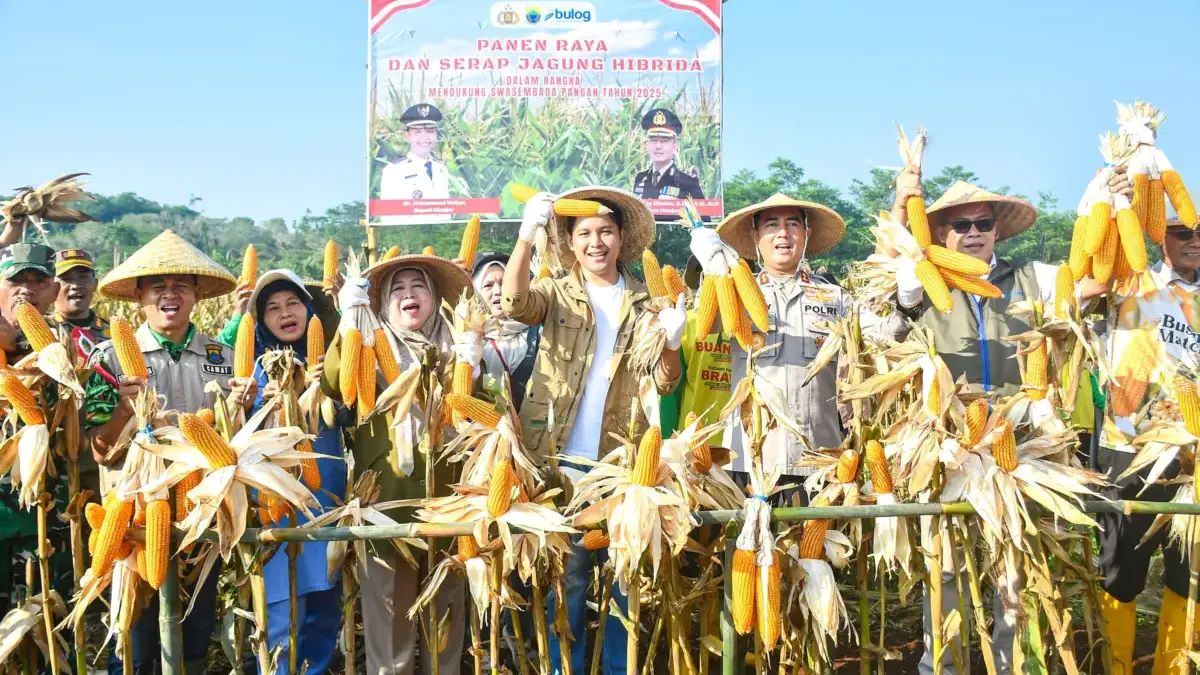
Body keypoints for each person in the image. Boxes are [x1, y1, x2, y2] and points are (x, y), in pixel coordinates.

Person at [502, 186, 684, 675]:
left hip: (622, 461)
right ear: (570, 241)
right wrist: (525, 237)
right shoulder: (556, 291)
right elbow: (515, 303)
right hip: (558, 457)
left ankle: (620, 668)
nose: (595, 242)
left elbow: (665, 381)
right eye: (584, 233)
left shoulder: (648, 302)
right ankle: (566, 667)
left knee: (625, 577)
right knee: (569, 578)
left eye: (605, 231)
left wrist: (672, 342)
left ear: (622, 238)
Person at [889, 175, 1054, 674]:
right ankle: (941, 667)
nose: (974, 233)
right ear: (941, 233)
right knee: (947, 570)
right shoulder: (921, 283)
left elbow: (1095, 284)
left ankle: (1011, 666)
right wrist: (900, 205)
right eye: (961, 225)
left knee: (1013, 572)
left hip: (1016, 444)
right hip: (945, 446)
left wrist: (1109, 200)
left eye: (983, 223)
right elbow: (891, 329)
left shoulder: (1029, 280)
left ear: (997, 231)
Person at [83, 229, 252, 675]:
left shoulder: (224, 357)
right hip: (136, 520)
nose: (169, 294)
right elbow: (99, 451)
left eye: (180, 285)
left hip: (201, 514)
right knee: (136, 637)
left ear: (197, 294)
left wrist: (245, 407)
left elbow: (236, 443)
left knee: (194, 629)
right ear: (139, 296)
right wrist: (123, 409)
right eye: (157, 285)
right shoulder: (108, 360)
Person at [321, 252, 470, 675]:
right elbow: (334, 384)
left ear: (434, 298)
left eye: (418, 286)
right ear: (383, 304)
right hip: (385, 508)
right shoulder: (369, 350)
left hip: (450, 508)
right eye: (398, 289)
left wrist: (473, 364)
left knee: (444, 624)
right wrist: (349, 323)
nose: (409, 294)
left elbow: (485, 416)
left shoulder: (458, 347)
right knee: (390, 626)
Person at [1096, 217, 1200, 674]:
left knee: (1190, 570)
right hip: (1129, 446)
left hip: (1193, 455)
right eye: (1183, 233)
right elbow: (1093, 269)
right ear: (1160, 238)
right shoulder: (1130, 284)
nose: (1195, 242)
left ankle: (1172, 669)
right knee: (1120, 567)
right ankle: (1116, 665)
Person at [247, 270, 347, 675]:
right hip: (279, 508)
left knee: (324, 609)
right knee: (281, 614)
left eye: (292, 303)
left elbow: (355, 411)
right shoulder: (255, 372)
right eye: (272, 308)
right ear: (261, 321)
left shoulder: (331, 365)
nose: (285, 313)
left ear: (308, 309)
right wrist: (257, 403)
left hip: (327, 503)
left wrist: (328, 385)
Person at [471, 251, 540, 410]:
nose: (498, 291)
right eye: (488, 285)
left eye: (504, 283)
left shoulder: (539, 330)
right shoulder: (470, 341)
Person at [379, 103, 450, 224]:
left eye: (430, 131)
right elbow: (388, 216)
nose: (425, 137)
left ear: (436, 135)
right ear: (408, 137)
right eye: (418, 132)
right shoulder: (394, 171)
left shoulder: (442, 169)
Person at [0, 243, 60, 361]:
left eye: (40, 281)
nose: (26, 290)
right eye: (14, 279)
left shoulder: (69, 340)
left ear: (55, 291)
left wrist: (16, 344)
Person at [632, 108, 704, 202]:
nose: (658, 146)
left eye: (664, 141)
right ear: (647, 145)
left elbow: (701, 211)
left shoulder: (688, 181)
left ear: (675, 146)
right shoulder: (640, 178)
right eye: (653, 140)